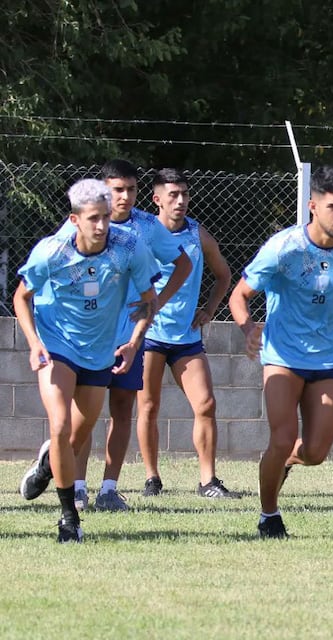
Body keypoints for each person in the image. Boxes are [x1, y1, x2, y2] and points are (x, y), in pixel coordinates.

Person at [229, 165, 333, 538]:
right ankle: (269, 515)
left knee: (314, 453)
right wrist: (249, 328)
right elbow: (240, 295)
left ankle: (280, 465)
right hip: (283, 356)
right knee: (281, 438)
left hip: (331, 359)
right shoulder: (284, 248)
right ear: (313, 205)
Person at [15, 179, 159, 542]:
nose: (102, 226)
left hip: (100, 352)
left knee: (76, 437)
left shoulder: (129, 247)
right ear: (74, 219)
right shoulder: (52, 251)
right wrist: (34, 344)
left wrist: (133, 341)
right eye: (93, 218)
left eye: (106, 218)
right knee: (61, 426)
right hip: (56, 346)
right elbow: (21, 297)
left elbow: (148, 298)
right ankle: (68, 519)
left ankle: (48, 464)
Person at [65, 159, 192, 512]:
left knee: (121, 410)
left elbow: (184, 264)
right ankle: (77, 487)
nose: (124, 196)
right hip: (89, 337)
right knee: (85, 413)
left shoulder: (148, 228)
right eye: (117, 189)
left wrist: (156, 304)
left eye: (131, 189)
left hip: (128, 337)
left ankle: (109, 488)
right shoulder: (79, 223)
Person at [136, 169, 240, 499]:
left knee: (206, 404)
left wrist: (209, 310)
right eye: (172, 195)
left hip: (186, 338)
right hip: (149, 335)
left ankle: (208, 481)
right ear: (157, 200)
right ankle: (152, 478)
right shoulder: (143, 234)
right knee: (148, 407)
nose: (180, 201)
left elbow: (224, 275)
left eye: (184, 194)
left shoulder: (198, 234)